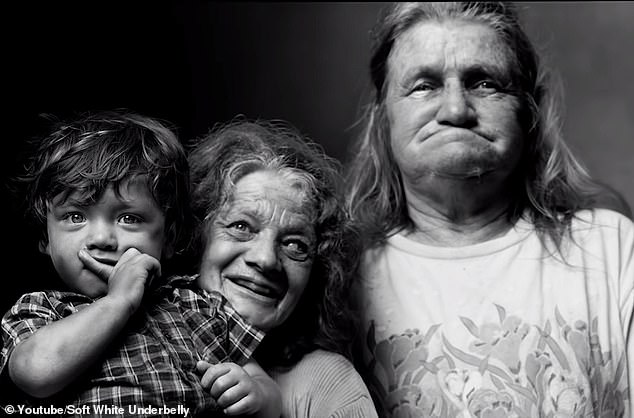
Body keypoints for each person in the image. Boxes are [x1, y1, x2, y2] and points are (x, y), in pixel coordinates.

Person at [345, 2, 633, 418]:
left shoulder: (612, 251)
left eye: (484, 83)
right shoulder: (340, 275)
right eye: (424, 85)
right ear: (384, 116)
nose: (455, 110)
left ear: (529, 111)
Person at [0, 110, 280, 417]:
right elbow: (35, 373)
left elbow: (266, 389)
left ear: (169, 237)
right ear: (46, 237)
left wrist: (257, 395)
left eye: (129, 218)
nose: (102, 239)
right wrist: (119, 301)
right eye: (75, 216)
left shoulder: (199, 306)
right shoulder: (42, 311)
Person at [187, 119, 378, 418]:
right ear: (194, 237)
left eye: (295, 245)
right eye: (241, 226)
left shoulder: (329, 383)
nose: (266, 259)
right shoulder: (128, 343)